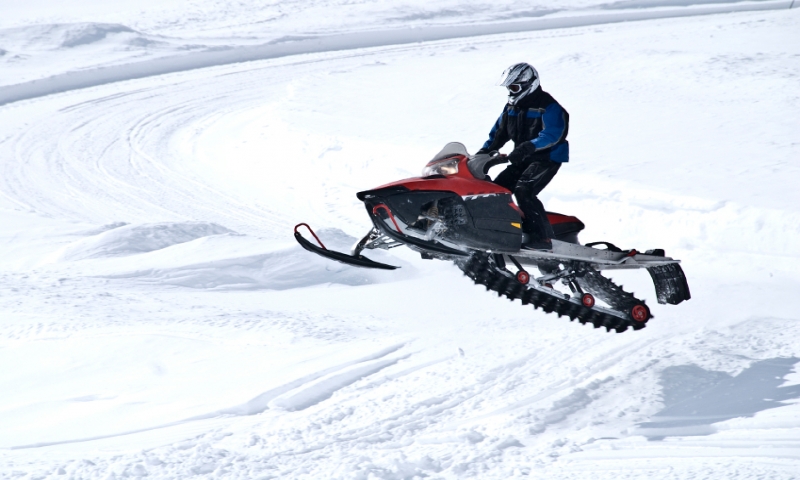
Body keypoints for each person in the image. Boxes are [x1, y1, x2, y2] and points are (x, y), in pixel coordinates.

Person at [476, 62, 569, 250]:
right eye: (509, 88)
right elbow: (498, 133)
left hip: (546, 158)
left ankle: (543, 238)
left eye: (514, 87)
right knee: (496, 191)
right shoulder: (511, 108)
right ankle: (506, 229)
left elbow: (553, 134)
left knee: (524, 190)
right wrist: (482, 153)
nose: (511, 92)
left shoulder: (549, 107)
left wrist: (529, 147)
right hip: (523, 158)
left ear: (529, 84)